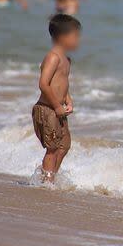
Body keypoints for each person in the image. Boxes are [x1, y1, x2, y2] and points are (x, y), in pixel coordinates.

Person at [32, 14, 81, 183]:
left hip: (58, 109)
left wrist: (68, 99)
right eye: (75, 36)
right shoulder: (53, 57)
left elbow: (62, 83)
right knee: (52, 148)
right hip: (47, 109)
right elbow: (44, 84)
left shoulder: (67, 60)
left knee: (64, 145)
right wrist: (56, 105)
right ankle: (46, 182)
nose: (78, 40)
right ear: (62, 37)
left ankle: (51, 177)